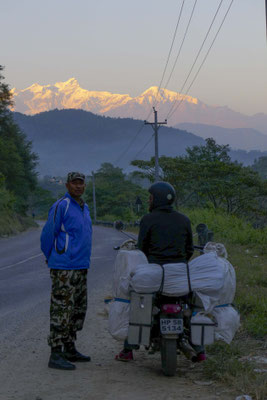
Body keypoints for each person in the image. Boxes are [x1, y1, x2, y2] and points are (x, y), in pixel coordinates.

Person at [115, 181, 205, 362]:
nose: (148, 200)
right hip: (180, 275)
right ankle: (200, 349)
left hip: (154, 275)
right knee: (193, 305)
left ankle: (128, 350)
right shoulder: (184, 219)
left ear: (157, 198)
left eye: (150, 197)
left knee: (139, 302)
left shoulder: (148, 219)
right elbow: (189, 250)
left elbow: (142, 249)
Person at [41, 172, 92, 370]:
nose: (78, 186)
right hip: (64, 268)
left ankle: (69, 347)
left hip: (81, 266)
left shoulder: (85, 207)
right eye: (74, 183)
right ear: (67, 185)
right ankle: (55, 353)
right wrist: (53, 258)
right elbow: (47, 235)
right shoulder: (61, 205)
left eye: (81, 183)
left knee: (77, 310)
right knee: (61, 310)